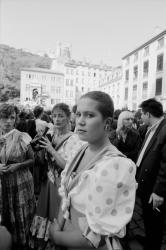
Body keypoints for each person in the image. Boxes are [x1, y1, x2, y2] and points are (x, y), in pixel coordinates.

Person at [49, 91, 137, 250]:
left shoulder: (114, 165)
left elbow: (95, 238)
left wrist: (57, 237)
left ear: (107, 123)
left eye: (89, 115)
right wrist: (60, 224)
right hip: (68, 235)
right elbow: (67, 197)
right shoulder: (80, 150)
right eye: (78, 114)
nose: (80, 121)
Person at [29, 103, 84, 249]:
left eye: (61, 116)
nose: (57, 119)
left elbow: (69, 167)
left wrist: (51, 150)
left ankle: (56, 241)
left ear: (68, 118)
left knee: (57, 215)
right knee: (44, 212)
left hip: (62, 184)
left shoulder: (75, 139)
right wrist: (37, 147)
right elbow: (41, 160)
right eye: (54, 116)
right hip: (48, 181)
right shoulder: (51, 134)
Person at [0, 104, 35, 249]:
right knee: (6, 211)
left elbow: (33, 160)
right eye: (4, 117)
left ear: (15, 120)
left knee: (19, 212)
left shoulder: (22, 136)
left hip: (20, 182)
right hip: (3, 183)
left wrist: (18, 165)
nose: (8, 121)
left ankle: (21, 242)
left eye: (11, 118)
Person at [136, 98, 166, 250]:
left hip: (154, 189)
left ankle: (152, 245)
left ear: (148, 114)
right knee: (148, 219)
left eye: (142, 114)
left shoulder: (164, 129)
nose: (140, 117)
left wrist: (159, 192)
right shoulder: (153, 127)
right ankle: (149, 240)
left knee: (155, 222)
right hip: (146, 184)